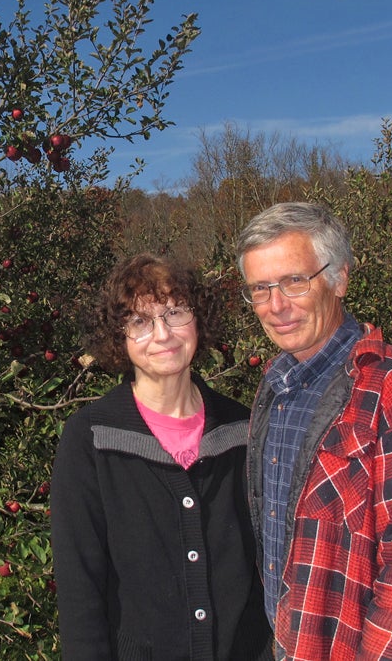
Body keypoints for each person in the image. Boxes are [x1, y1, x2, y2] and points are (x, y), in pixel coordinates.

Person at [234, 202, 392, 660]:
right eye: (260, 288)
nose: (276, 305)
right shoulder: (275, 386)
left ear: (339, 278)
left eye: (294, 281)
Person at [51, 253, 273, 661]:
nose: (163, 334)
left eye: (175, 312)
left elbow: (265, 567)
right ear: (117, 338)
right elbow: (79, 588)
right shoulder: (91, 438)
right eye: (139, 321)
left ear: (198, 320)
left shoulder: (243, 429)